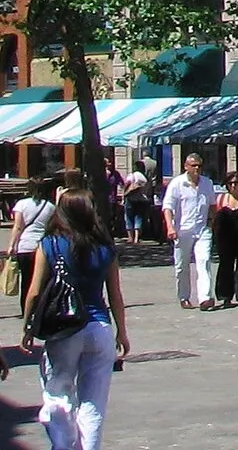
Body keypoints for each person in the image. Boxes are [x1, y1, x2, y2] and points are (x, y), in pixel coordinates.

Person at [22, 188, 129, 450]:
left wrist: (27, 327)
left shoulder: (50, 244)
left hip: (64, 328)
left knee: (59, 394)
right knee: (94, 403)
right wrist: (122, 332)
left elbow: (35, 291)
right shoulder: (105, 248)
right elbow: (115, 294)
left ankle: (63, 444)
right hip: (99, 327)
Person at [162, 153, 220, 309]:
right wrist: (170, 226)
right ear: (186, 166)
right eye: (194, 166)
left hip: (202, 229)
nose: (197, 169)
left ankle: (205, 298)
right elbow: (168, 207)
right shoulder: (177, 184)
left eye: (199, 166)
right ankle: (184, 296)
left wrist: (215, 222)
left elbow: (213, 205)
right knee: (182, 265)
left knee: (204, 260)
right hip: (182, 230)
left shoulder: (207, 183)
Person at [7, 180, 58, 316]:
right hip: (42, 246)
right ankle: (42, 308)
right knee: (43, 280)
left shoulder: (21, 204)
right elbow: (52, 228)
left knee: (26, 280)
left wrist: (12, 245)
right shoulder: (50, 207)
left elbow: (18, 227)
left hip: (25, 246)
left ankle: (26, 310)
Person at [211, 171, 238, 308]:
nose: (233, 186)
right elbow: (215, 217)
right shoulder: (221, 199)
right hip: (225, 236)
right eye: (230, 183)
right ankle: (225, 296)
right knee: (226, 265)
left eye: (236, 183)